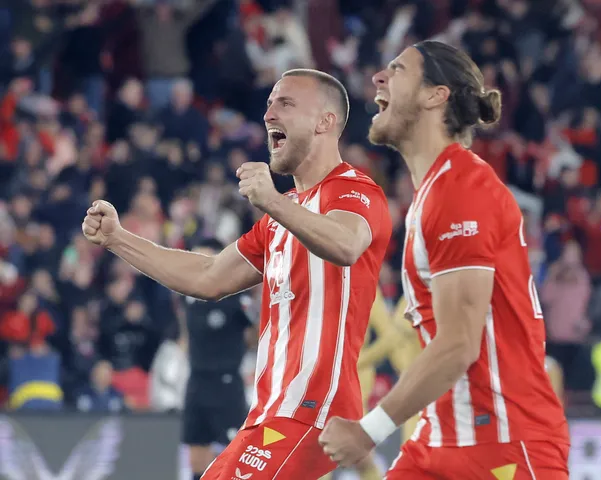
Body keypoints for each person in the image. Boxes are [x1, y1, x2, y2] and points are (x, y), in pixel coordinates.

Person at [82, 68, 392, 480]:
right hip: (268, 412)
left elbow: (346, 245)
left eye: (285, 103)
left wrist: (272, 201)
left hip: (315, 408)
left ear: (324, 122)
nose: (268, 114)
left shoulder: (354, 190)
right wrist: (118, 239)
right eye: (268, 104)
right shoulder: (280, 218)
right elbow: (207, 276)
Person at [319, 40, 570, 479]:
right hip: (441, 436)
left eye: (398, 69)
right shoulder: (436, 191)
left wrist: (367, 431)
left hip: (503, 443)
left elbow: (459, 343)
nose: (379, 77)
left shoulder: (460, 190)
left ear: (436, 96)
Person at [182, 238, 257, 480]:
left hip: (225, 382)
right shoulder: (188, 295)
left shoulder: (236, 298)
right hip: (196, 381)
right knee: (196, 454)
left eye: (203, 259)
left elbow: (257, 332)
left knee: (233, 452)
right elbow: (186, 333)